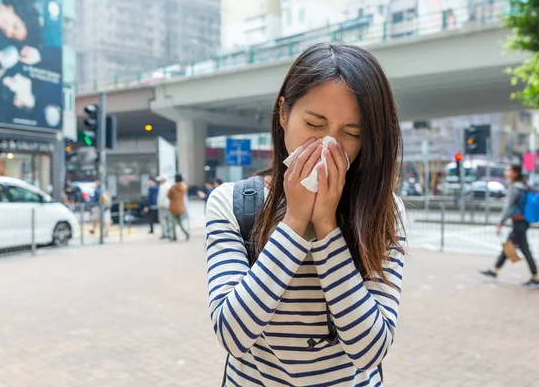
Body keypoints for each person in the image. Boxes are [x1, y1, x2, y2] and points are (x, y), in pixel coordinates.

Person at [205, 43, 406, 386]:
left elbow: (370, 350)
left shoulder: (382, 209)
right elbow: (233, 334)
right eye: (314, 123)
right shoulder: (233, 204)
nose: (329, 144)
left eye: (352, 133)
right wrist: (295, 222)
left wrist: (328, 228)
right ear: (283, 112)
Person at [480, 165, 539, 286]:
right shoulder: (524, 186)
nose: (506, 172)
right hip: (523, 221)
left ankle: (536, 277)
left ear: (515, 173)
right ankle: (494, 270)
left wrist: (500, 222)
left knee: (525, 250)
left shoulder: (515, 187)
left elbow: (508, 207)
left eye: (508, 170)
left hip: (518, 222)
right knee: (508, 246)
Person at [168, 174, 190, 241]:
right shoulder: (184, 187)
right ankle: (186, 233)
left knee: (173, 223)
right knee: (180, 223)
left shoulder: (173, 187)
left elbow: (169, 196)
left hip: (173, 207)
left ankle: (174, 236)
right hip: (181, 207)